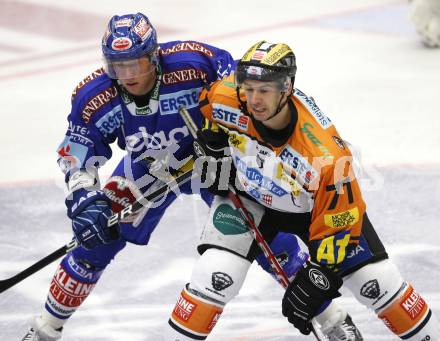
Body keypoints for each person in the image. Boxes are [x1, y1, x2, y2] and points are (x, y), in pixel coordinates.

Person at [20, 13, 360, 341]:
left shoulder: (193, 62)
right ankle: (45, 328)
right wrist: (84, 198)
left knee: (263, 235)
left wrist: (228, 142)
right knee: (95, 240)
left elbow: (239, 90)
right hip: (148, 169)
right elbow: (76, 152)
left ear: (154, 57)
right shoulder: (95, 96)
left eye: (135, 64)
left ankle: (330, 318)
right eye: (116, 65)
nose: (126, 75)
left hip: (213, 163)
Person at [165, 40, 440, 340]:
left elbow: (341, 224)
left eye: (265, 90)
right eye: (249, 88)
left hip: (313, 212)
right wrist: (213, 145)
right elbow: (210, 114)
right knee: (215, 274)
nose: (254, 99)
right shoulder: (228, 96)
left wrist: (319, 278)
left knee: (376, 282)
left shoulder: (325, 158)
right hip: (249, 197)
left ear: (287, 88)